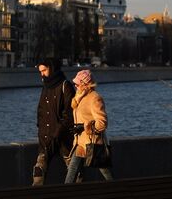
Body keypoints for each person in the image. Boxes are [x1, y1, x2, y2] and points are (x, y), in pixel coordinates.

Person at [65, 69, 113, 183]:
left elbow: (102, 123)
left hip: (93, 143)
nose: (75, 85)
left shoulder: (95, 98)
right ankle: (65, 193)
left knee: (104, 171)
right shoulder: (79, 97)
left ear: (85, 84)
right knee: (72, 169)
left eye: (77, 83)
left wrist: (84, 127)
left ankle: (118, 190)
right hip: (80, 142)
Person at [32, 57, 75, 186]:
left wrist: (58, 131)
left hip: (63, 138)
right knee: (39, 170)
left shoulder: (65, 86)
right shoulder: (46, 86)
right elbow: (41, 110)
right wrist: (41, 129)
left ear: (52, 68)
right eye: (40, 71)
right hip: (46, 137)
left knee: (74, 171)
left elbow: (69, 113)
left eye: (44, 70)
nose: (42, 74)